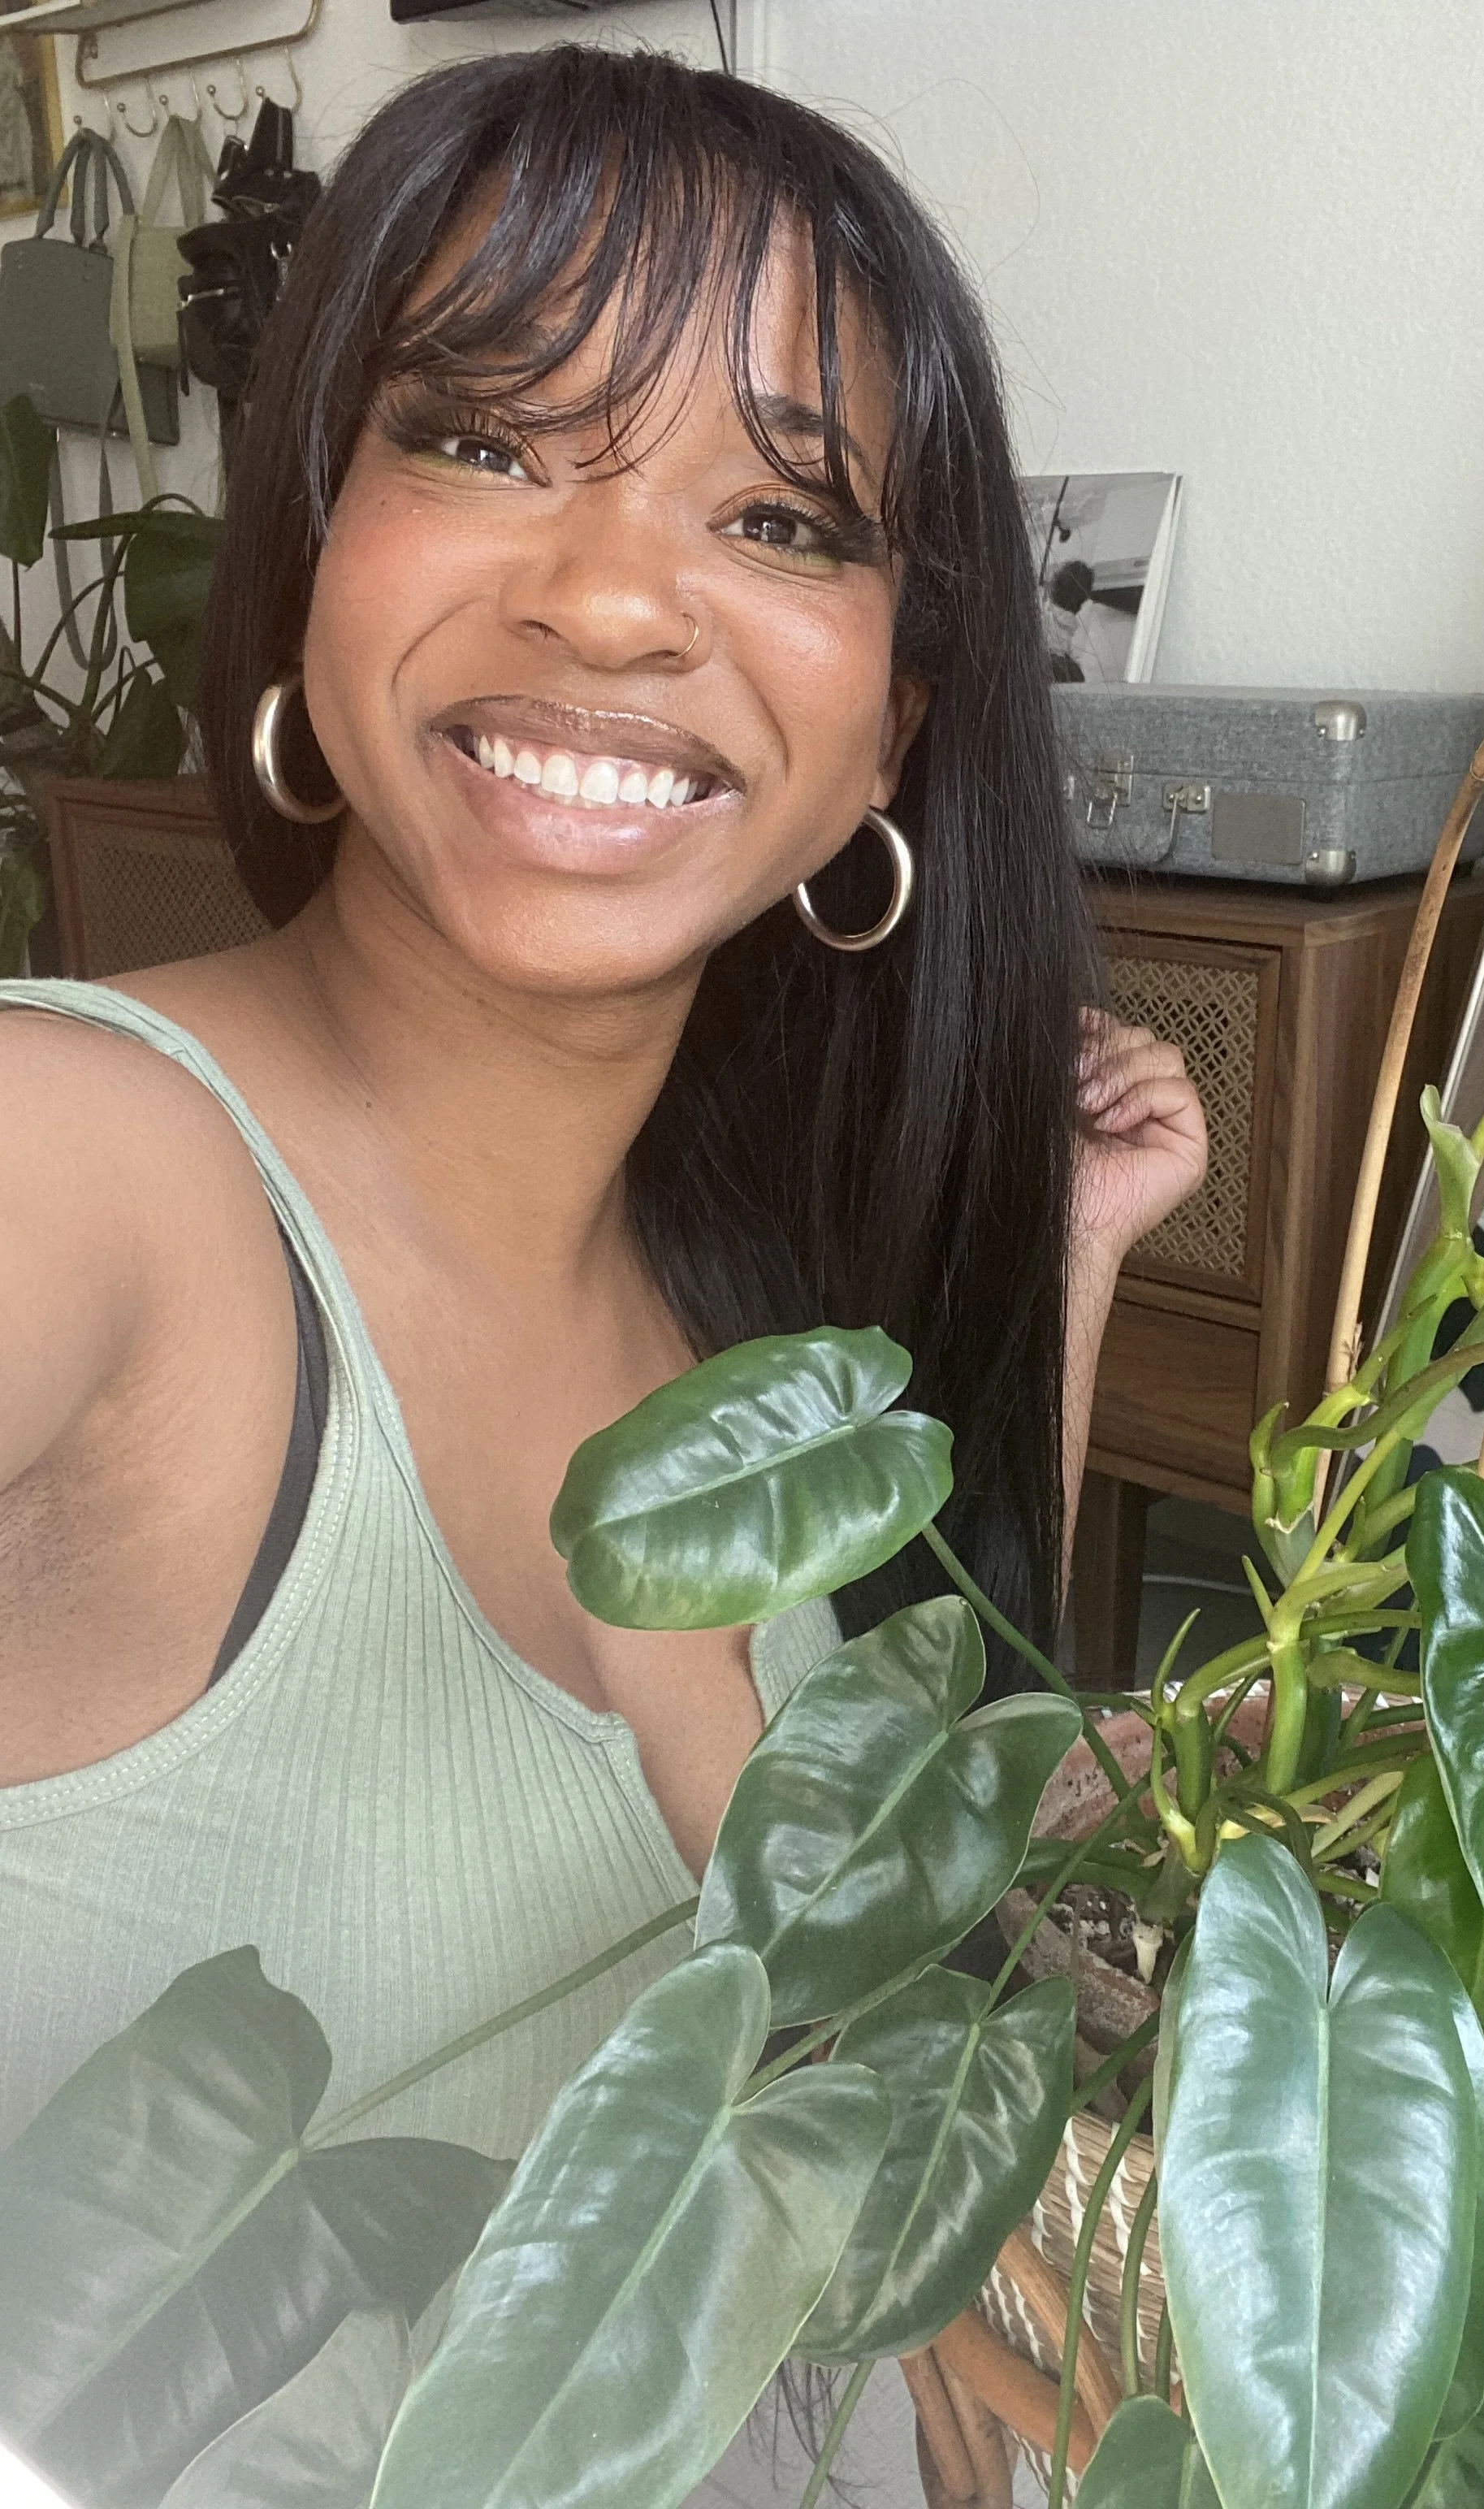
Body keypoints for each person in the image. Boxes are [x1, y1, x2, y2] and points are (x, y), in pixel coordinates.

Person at [0, 47, 1204, 2163]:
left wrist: (1062, 1263)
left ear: (889, 730)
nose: (614, 599)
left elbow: (878, 1841)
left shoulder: (732, 1295)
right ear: (311, 542)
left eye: (775, 516)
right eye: (482, 439)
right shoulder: (76, 1160)